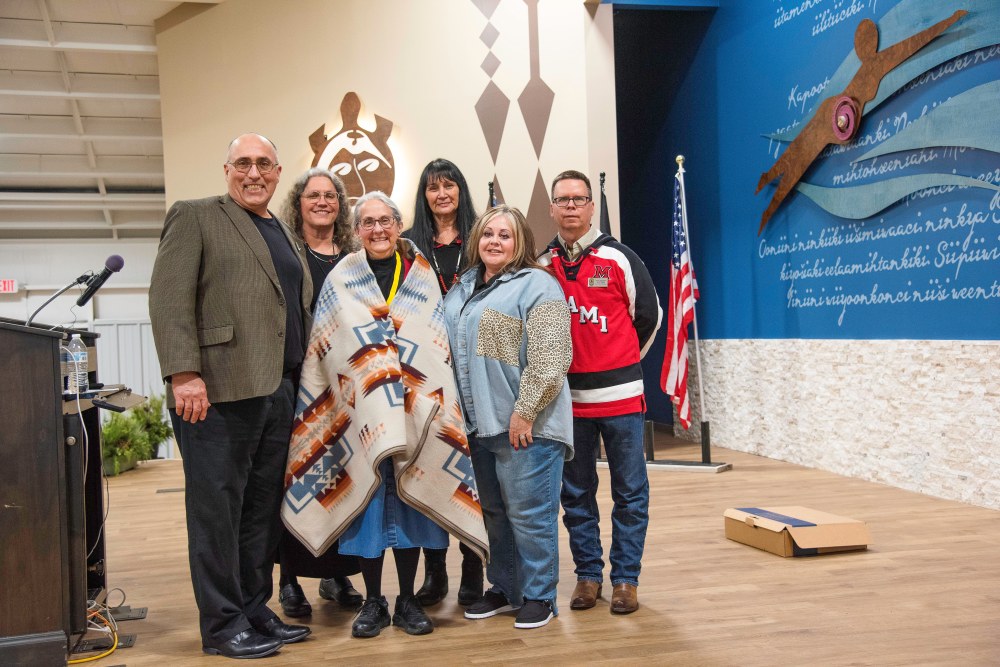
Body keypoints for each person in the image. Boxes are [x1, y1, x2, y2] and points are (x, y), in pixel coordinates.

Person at [280, 191, 488, 640]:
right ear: (356, 231)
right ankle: (374, 600)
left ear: (398, 225)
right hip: (361, 418)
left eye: (385, 221)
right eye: (368, 222)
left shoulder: (422, 275)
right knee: (370, 509)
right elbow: (326, 349)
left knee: (413, 503)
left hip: (418, 413)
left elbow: (436, 343)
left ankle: (408, 599)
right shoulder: (341, 278)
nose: (377, 229)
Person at [149, 133, 312, 659]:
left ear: (278, 171)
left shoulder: (283, 232)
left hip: (276, 390)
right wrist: (183, 373)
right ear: (226, 169)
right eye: (243, 163)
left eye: (264, 163)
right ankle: (221, 624)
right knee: (217, 511)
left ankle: (253, 607)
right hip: (214, 392)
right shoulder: (196, 216)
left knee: (259, 511)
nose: (254, 172)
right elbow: (169, 298)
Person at [443, 205, 573, 629]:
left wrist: (525, 411)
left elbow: (552, 357)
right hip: (479, 425)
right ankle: (506, 587)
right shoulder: (461, 289)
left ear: (520, 244)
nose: (495, 242)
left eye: (505, 235)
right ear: (477, 239)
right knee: (495, 515)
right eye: (488, 234)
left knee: (530, 516)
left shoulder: (537, 284)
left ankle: (539, 595)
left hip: (525, 426)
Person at [539, 170, 662, 615]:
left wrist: (621, 362)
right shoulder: (540, 264)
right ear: (551, 208)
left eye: (579, 199)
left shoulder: (620, 258)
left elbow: (649, 317)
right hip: (567, 404)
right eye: (562, 200)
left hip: (622, 399)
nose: (571, 206)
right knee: (576, 495)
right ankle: (588, 576)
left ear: (591, 206)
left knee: (630, 492)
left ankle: (626, 579)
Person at [274, 167, 363, 618]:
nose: (322, 202)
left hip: (345, 383)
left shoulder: (353, 254)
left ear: (341, 205)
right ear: (299, 202)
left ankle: (337, 574)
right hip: (298, 380)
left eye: (331, 196)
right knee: (297, 474)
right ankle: (289, 580)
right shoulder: (288, 252)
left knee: (340, 476)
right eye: (314, 195)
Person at [403, 158, 484, 606]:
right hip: (427, 373)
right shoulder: (410, 245)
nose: (441, 195)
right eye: (433, 188)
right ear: (425, 195)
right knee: (433, 468)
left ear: (460, 190)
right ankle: (436, 574)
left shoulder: (482, 239)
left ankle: (474, 570)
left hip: (475, 372)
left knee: (474, 477)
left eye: (449, 185)